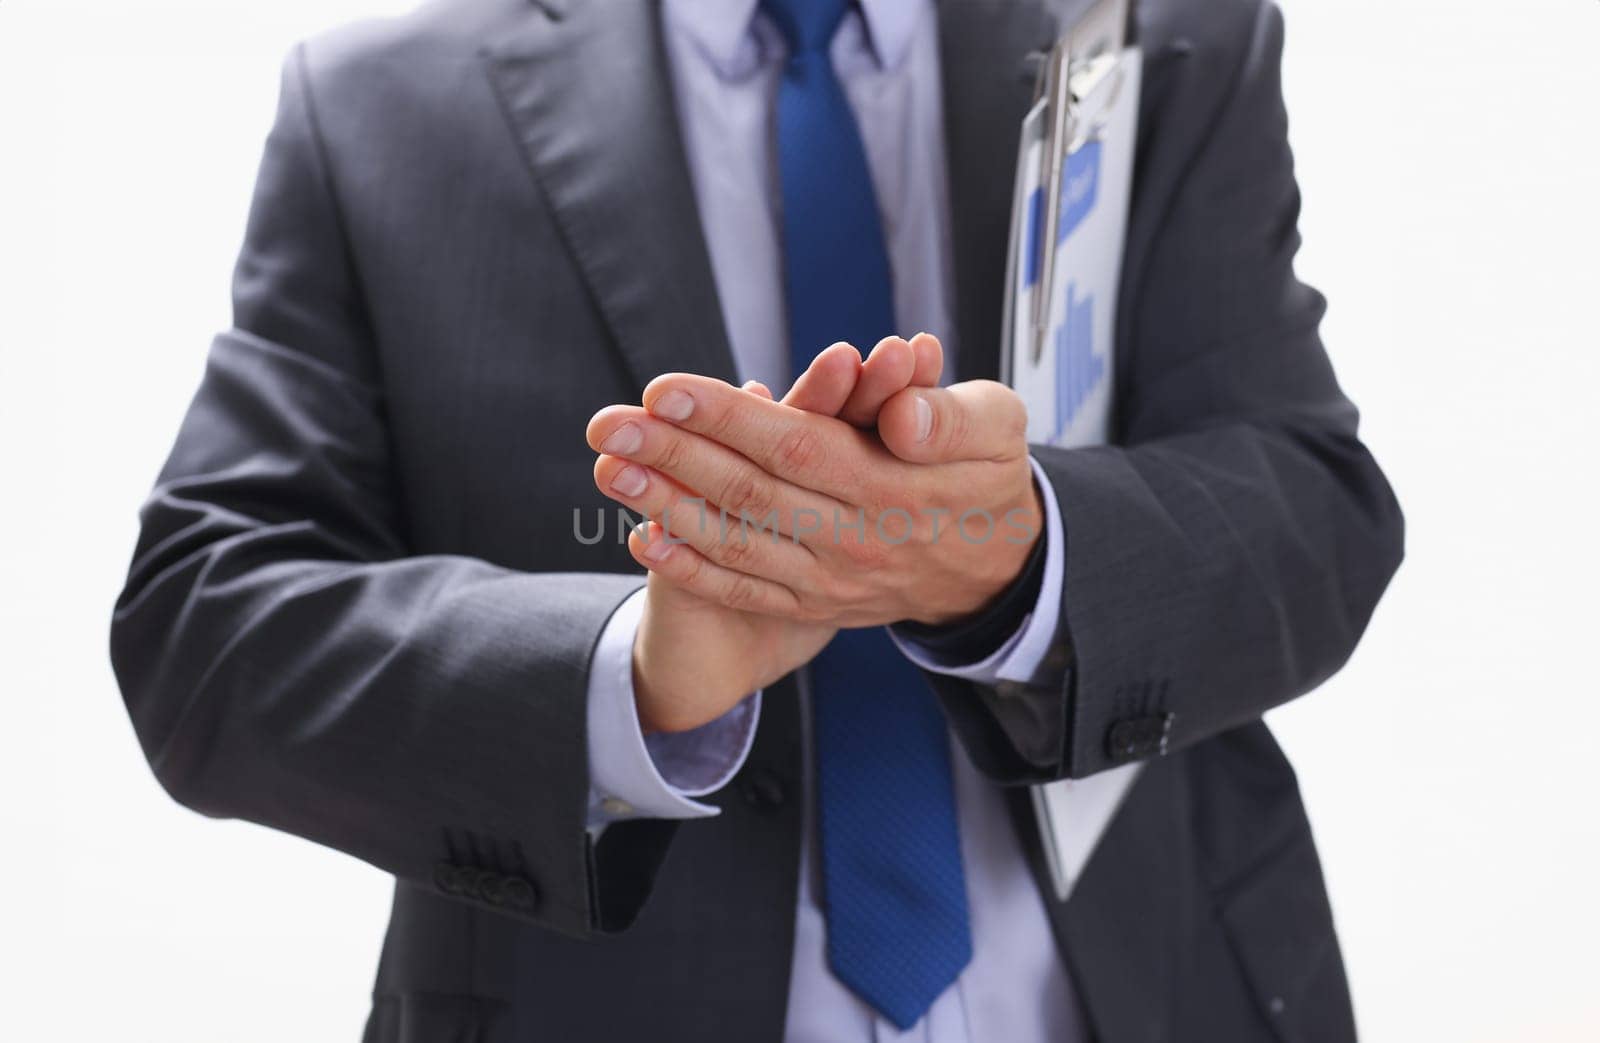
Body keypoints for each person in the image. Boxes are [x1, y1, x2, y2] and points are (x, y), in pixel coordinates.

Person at [109, 0, 1404, 1039]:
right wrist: (635, 673)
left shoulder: (1173, 31)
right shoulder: (375, 110)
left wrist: (1024, 558)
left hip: (1154, 986)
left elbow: (1317, 510)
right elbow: (202, 627)